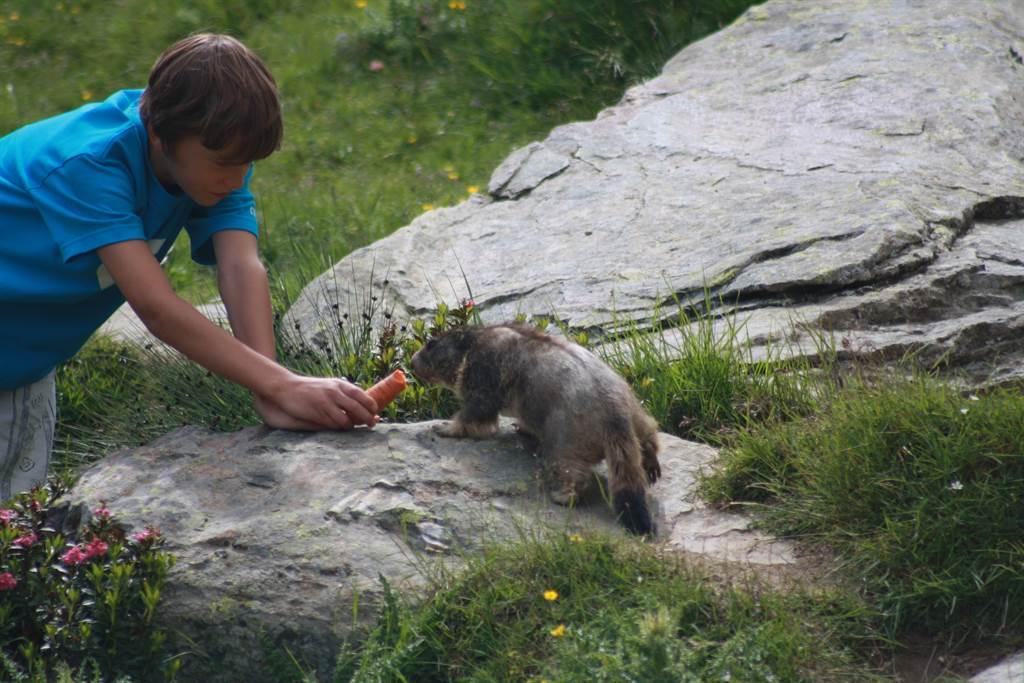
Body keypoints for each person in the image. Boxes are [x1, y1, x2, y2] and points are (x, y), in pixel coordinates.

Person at [0, 33, 378, 500]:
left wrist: (274, 386)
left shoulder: (215, 154)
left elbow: (240, 264)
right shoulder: (88, 165)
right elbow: (155, 307)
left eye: (248, 163)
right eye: (225, 163)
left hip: (23, 369)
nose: (238, 178)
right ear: (159, 133)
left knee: (16, 530)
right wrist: (280, 384)